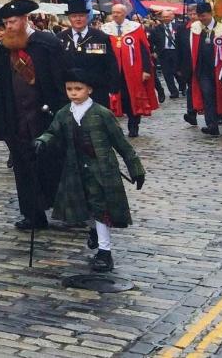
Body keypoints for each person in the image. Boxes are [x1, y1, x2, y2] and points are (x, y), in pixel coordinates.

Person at [35, 70, 145, 272]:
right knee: (82, 206)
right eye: (69, 89)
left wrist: (136, 168)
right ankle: (94, 231)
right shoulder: (64, 113)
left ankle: (105, 252)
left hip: (101, 170)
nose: (73, 93)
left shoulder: (102, 114)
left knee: (100, 208)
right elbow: (53, 132)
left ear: (89, 89)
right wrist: (42, 141)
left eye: (78, 89)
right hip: (74, 169)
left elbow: (121, 143)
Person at [0, 0, 68, 230]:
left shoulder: (45, 43)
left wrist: (63, 111)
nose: (9, 27)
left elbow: (59, 79)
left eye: (12, 22)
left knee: (51, 163)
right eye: (6, 23)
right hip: (16, 117)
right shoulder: (4, 49)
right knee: (23, 167)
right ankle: (32, 213)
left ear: (24, 20)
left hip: (44, 115)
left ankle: (66, 207)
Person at [101, 4, 159, 138]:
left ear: (124, 13)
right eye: (113, 12)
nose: (115, 15)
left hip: (133, 71)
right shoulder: (105, 29)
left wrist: (146, 70)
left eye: (118, 12)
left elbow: (145, 50)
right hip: (113, 71)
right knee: (117, 98)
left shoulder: (135, 28)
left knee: (132, 97)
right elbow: (100, 49)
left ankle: (133, 125)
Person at [180, 2, 222, 136]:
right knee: (208, 97)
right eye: (199, 16)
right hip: (203, 71)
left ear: (211, 14)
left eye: (203, 16)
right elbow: (187, 49)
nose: (201, 19)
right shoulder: (195, 28)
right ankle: (212, 125)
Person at [58, 0, 119, 108]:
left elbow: (110, 64)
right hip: (70, 94)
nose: (78, 19)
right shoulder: (61, 38)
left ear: (87, 17)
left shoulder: (99, 37)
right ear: (69, 18)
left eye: (81, 16)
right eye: (74, 16)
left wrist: (113, 89)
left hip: (97, 92)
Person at [148, 10, 180, 100]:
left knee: (177, 71)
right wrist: (153, 51)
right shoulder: (157, 29)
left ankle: (182, 86)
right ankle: (173, 92)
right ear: (161, 18)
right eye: (164, 17)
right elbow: (150, 41)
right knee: (167, 73)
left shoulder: (178, 27)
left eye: (167, 16)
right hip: (163, 52)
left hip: (176, 51)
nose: (166, 18)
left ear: (171, 17)